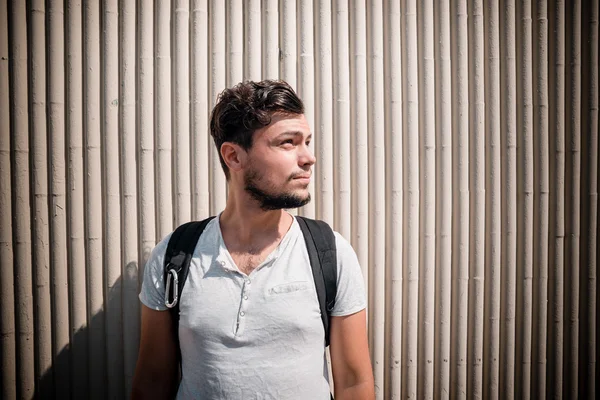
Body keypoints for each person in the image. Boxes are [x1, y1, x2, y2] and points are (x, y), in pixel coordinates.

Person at [131, 80, 375, 399]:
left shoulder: (330, 253)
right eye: (288, 143)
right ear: (234, 156)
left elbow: (355, 381)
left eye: (307, 142)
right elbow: (152, 380)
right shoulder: (174, 255)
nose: (308, 158)